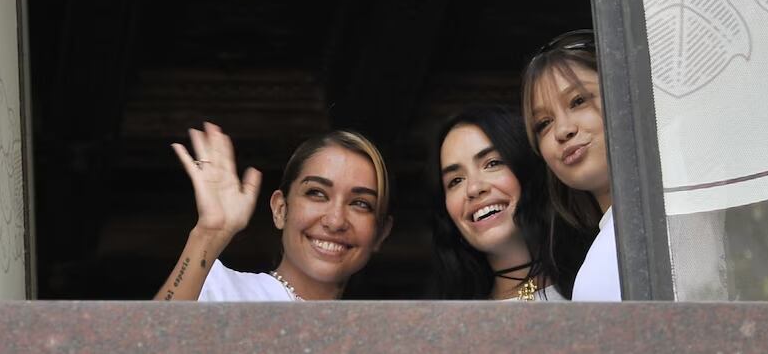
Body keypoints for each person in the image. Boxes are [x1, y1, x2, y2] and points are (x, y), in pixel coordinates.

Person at [155, 122, 393, 301]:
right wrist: (209, 234)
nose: (335, 220)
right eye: (317, 193)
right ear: (280, 209)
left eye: (360, 203)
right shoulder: (221, 291)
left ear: (380, 233)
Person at [430, 105, 592, 300]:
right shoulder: (451, 323)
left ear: (529, 168)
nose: (474, 188)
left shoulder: (602, 277)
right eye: (455, 180)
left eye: (492, 163)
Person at [521, 28, 620, 301]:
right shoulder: (591, 275)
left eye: (578, 101)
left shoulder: (697, 207)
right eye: (543, 123)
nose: (562, 130)